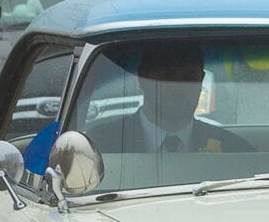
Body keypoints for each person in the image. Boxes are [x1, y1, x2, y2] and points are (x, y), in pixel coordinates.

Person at [84, 42, 251, 160]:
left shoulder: (235, 150)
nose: (177, 88)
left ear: (201, 80)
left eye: (188, 78)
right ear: (142, 77)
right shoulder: (98, 147)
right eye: (167, 77)